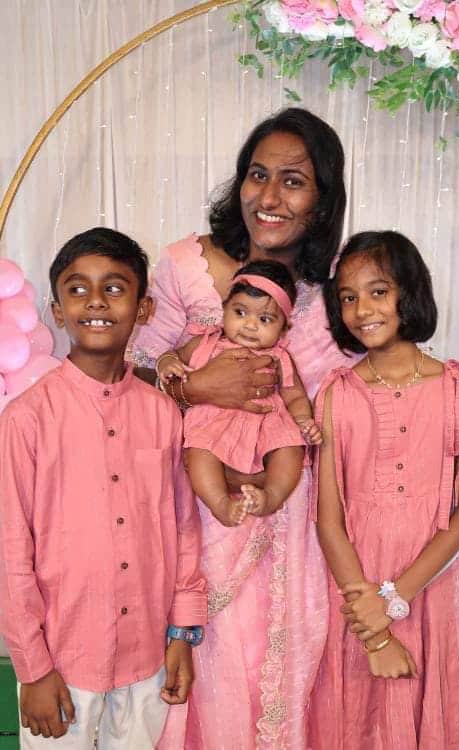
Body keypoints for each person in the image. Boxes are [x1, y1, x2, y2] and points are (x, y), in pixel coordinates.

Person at [128, 108, 356, 749]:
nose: (269, 197)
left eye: (293, 181)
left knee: (280, 680)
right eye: (258, 175)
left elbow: (360, 391)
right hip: (196, 515)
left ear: (322, 200)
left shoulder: (337, 288)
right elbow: (125, 373)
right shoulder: (187, 265)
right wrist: (196, 388)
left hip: (294, 527)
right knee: (206, 679)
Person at [0, 227, 207, 750]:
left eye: (114, 288)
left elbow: (183, 528)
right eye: (78, 289)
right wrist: (32, 668)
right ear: (57, 309)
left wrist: (181, 634)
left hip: (146, 657)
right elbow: (10, 550)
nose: (95, 301)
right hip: (61, 661)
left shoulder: (163, 413)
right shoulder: (26, 419)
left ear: (143, 308)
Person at [309, 230, 459, 749]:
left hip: (426, 587)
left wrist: (393, 599)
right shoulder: (335, 395)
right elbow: (328, 520)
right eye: (348, 297)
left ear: (409, 292)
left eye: (378, 291)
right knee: (356, 723)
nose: (362, 309)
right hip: (355, 591)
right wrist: (373, 629)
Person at [157, 260, 322, 527]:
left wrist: (304, 421)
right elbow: (172, 356)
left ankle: (271, 497)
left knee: (291, 448)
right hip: (213, 422)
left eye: (265, 319)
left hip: (267, 421)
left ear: (283, 328)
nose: (250, 325)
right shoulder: (205, 344)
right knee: (199, 451)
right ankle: (220, 504)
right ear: (224, 310)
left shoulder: (279, 357)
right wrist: (167, 364)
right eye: (240, 312)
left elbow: (294, 396)